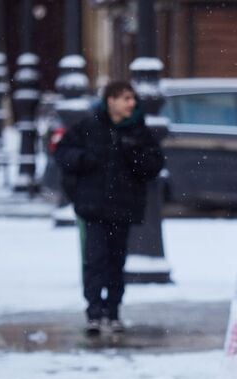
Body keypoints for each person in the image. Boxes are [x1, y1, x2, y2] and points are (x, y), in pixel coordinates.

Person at [55, 81, 164, 336]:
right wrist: (82, 161)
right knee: (95, 260)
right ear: (110, 100)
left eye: (133, 99)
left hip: (123, 208)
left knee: (116, 261)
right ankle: (94, 312)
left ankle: (113, 311)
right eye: (126, 98)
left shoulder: (138, 131)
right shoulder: (90, 127)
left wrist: (134, 152)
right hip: (93, 208)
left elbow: (153, 165)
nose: (132, 104)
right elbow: (63, 153)